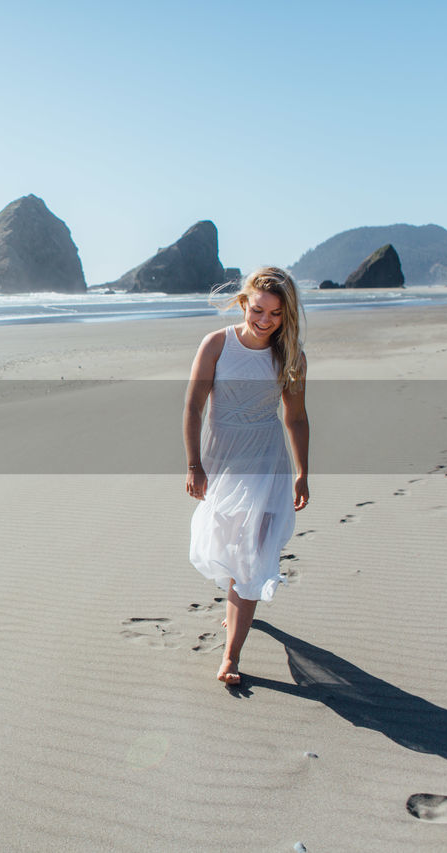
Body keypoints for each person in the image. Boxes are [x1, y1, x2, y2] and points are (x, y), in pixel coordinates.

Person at [183, 266, 309, 686]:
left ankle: (231, 656)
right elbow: (193, 407)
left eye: (276, 313)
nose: (265, 320)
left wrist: (302, 473)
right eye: (259, 310)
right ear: (244, 304)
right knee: (227, 544)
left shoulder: (289, 356)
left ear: (286, 314)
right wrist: (193, 464)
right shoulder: (217, 344)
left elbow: (295, 418)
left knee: (250, 557)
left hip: (266, 462)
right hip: (222, 462)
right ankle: (238, 604)